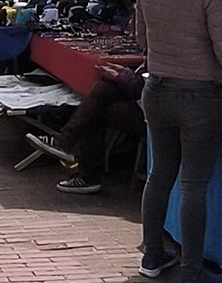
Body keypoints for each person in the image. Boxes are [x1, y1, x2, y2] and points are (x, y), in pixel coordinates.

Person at [134, 0, 222, 283]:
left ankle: (152, 254)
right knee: (193, 185)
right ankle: (191, 273)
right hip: (201, 99)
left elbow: (141, 40)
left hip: (157, 90)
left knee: (160, 174)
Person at [25, 63, 145, 194]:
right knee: (97, 100)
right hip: (146, 101)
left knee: (97, 102)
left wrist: (121, 76)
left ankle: (66, 144)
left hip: (155, 114)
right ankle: (68, 147)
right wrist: (124, 73)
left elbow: (145, 86)